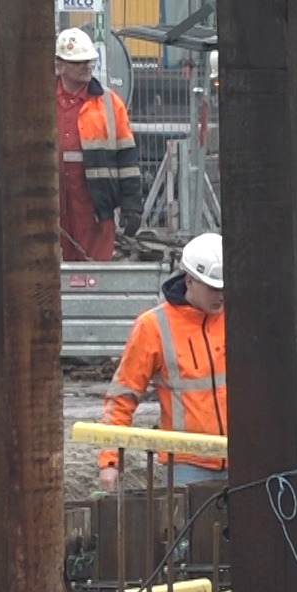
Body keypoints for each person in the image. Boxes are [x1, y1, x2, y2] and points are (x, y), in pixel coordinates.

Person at [98, 233, 227, 490]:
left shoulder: (237, 318)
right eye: (213, 288)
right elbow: (123, 397)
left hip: (245, 458)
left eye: (225, 287)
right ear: (190, 280)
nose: (221, 296)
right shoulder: (154, 326)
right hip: (188, 465)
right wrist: (110, 462)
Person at [56, 28, 142, 262]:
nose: (86, 66)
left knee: (96, 273)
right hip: (52, 207)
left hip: (95, 208)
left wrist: (132, 206)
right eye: (79, 62)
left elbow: (127, 160)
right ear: (60, 65)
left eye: (89, 61)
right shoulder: (41, 102)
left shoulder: (109, 103)